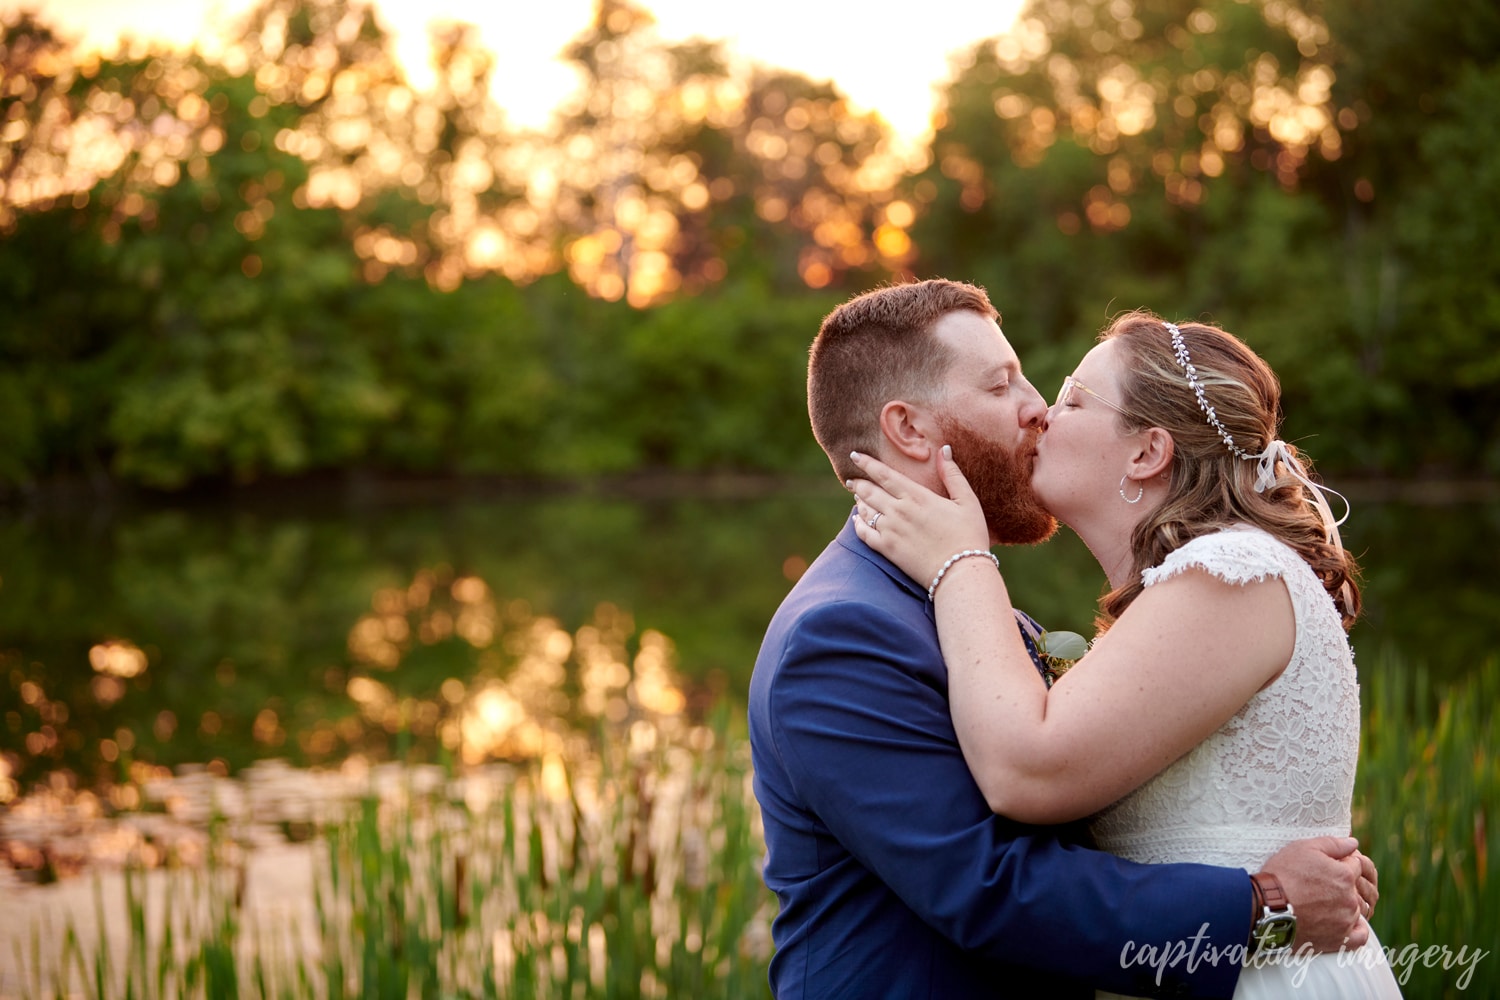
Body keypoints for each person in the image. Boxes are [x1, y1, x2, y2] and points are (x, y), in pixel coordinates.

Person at [748, 279, 1378, 1000]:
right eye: (1000, 384)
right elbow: (991, 889)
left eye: (1057, 393)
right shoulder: (841, 636)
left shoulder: (970, 608)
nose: (1036, 408)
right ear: (911, 430)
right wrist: (1267, 905)